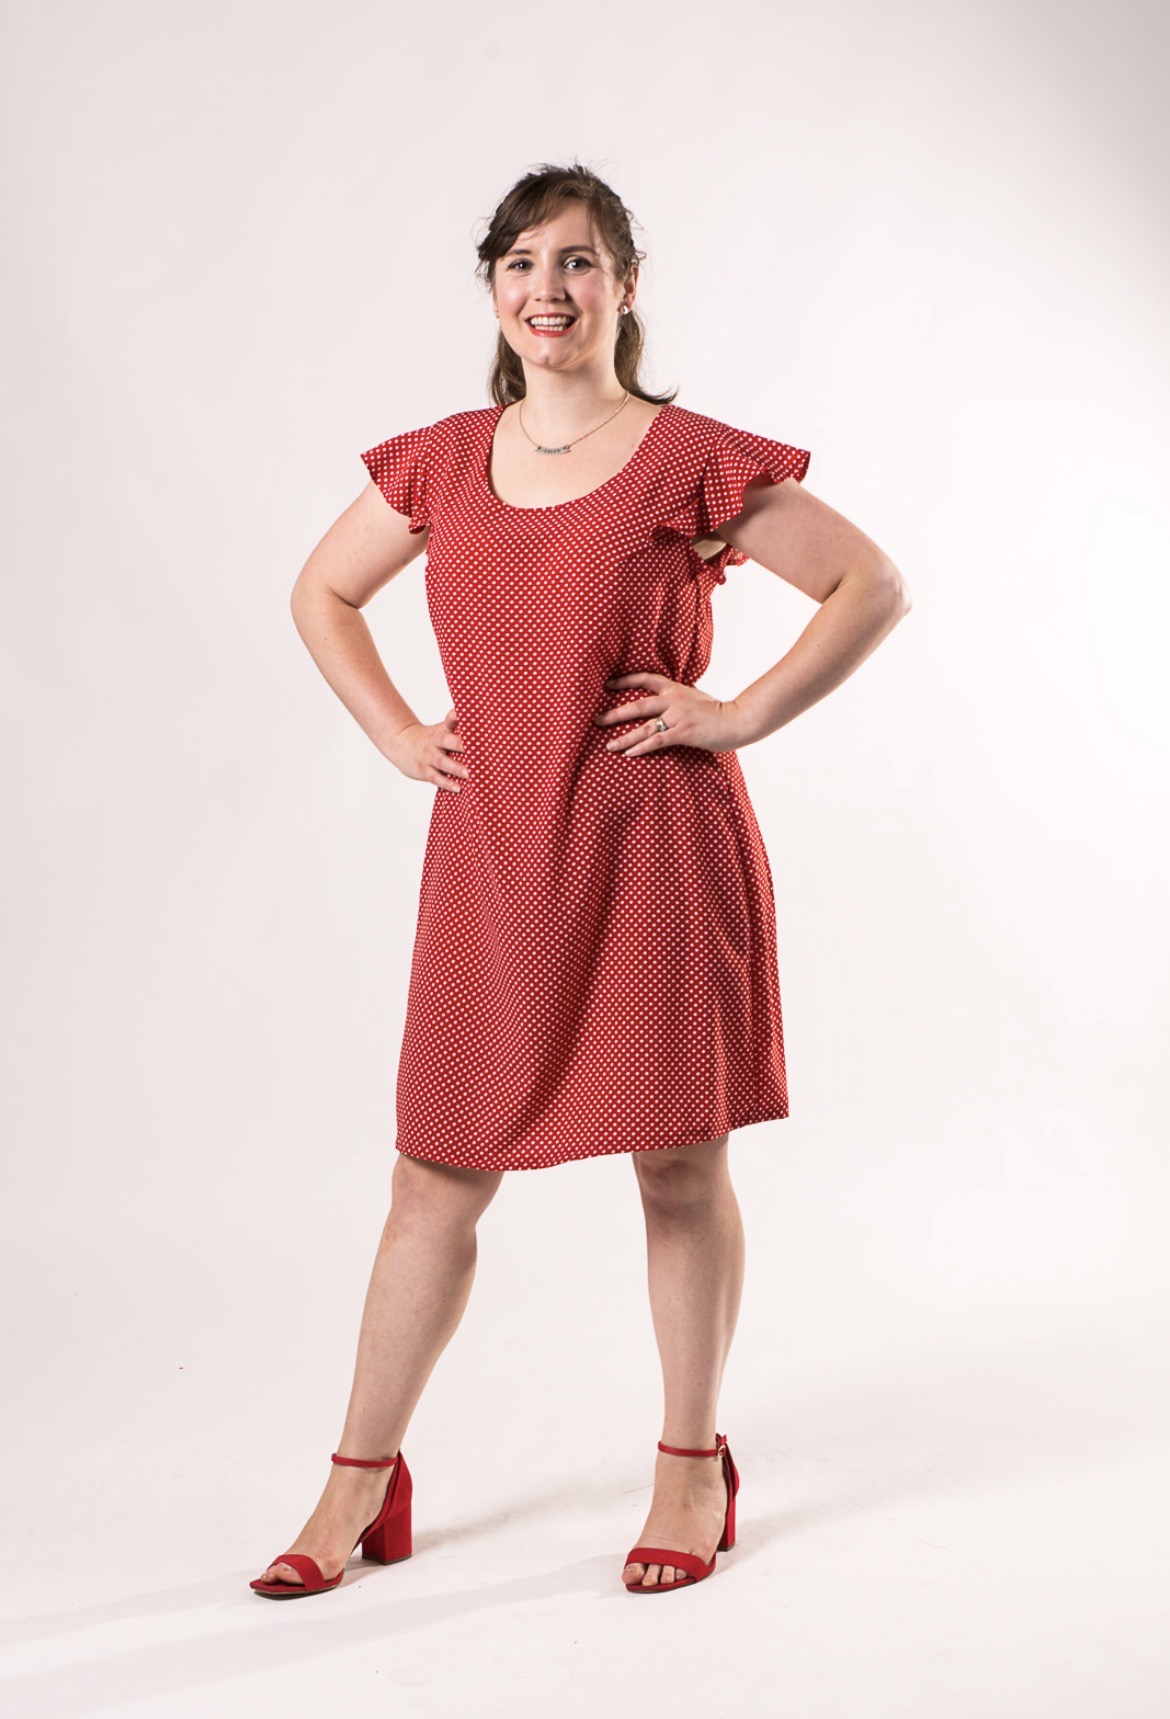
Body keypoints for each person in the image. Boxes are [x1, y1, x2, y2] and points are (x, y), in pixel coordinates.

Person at [250, 162, 911, 1600]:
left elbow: (869, 583)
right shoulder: (436, 457)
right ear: (491, 291)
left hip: (655, 850)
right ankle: (356, 1483)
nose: (550, 292)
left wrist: (731, 713)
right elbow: (321, 590)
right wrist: (390, 728)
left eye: (580, 264)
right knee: (435, 1170)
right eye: (522, 267)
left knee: (676, 1163)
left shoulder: (689, 460)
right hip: (493, 854)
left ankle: (688, 1465)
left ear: (624, 285)